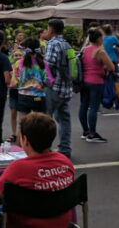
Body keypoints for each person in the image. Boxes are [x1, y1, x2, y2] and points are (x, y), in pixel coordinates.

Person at [0, 112, 75, 228]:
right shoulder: (65, 162)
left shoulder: (18, 168)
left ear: (25, 140)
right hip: (62, 223)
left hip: (25, 223)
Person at [44, 19, 74, 159]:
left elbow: (48, 65)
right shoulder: (67, 44)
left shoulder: (52, 44)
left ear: (52, 29)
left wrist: (47, 82)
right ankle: (65, 148)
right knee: (64, 119)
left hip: (54, 87)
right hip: (66, 88)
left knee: (46, 119)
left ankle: (45, 149)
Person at [79, 28, 115, 143]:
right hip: (96, 81)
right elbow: (111, 67)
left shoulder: (84, 49)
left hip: (84, 81)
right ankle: (92, 134)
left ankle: (85, 131)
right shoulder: (100, 52)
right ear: (99, 38)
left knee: (83, 106)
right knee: (93, 108)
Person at [13, 38, 48, 120]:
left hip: (23, 96)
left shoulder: (19, 63)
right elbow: (47, 81)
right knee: (39, 124)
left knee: (23, 125)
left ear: (25, 49)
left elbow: (15, 82)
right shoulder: (43, 63)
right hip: (38, 97)